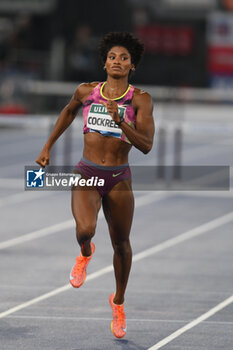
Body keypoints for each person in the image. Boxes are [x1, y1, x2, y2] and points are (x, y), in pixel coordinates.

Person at [36, 31, 155, 339]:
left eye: (124, 58)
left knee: (121, 245)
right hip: (87, 172)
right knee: (84, 230)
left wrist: (120, 121)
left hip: (118, 178)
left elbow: (146, 145)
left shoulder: (140, 99)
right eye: (112, 57)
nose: (117, 61)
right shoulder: (86, 91)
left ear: (132, 66)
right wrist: (48, 145)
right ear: (104, 63)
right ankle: (85, 252)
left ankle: (118, 302)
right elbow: (67, 112)